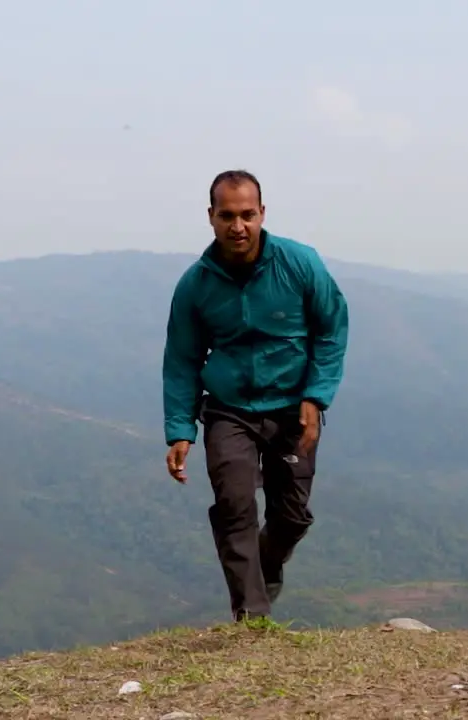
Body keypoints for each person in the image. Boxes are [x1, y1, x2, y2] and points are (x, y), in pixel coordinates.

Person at [162, 169, 349, 622]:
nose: (238, 226)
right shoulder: (196, 285)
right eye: (227, 215)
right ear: (211, 217)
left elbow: (331, 330)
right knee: (234, 504)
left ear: (263, 213)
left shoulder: (299, 264)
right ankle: (252, 615)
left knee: (291, 516)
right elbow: (182, 359)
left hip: (292, 407)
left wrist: (315, 396)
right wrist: (180, 428)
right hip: (229, 410)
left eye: (247, 214)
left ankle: (263, 569)